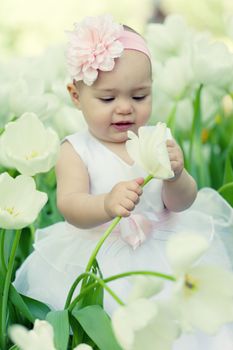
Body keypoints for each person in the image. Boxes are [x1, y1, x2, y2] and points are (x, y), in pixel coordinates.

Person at [14, 14, 233, 349]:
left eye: (140, 96)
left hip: (165, 246)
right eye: (107, 99)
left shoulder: (156, 137)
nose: (124, 109)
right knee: (118, 322)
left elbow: (181, 202)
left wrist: (177, 176)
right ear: (76, 96)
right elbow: (70, 205)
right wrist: (104, 203)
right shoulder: (75, 150)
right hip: (104, 254)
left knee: (184, 323)